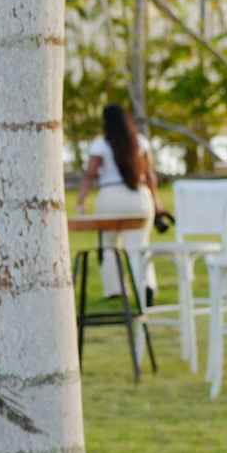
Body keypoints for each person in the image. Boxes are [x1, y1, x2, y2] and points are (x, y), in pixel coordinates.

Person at [76, 101, 159, 303]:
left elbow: (90, 174)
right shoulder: (140, 142)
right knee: (139, 245)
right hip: (138, 194)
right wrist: (157, 202)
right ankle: (146, 284)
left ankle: (115, 289)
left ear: (105, 122)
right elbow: (149, 175)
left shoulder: (100, 145)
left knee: (109, 244)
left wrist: (80, 200)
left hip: (110, 195)